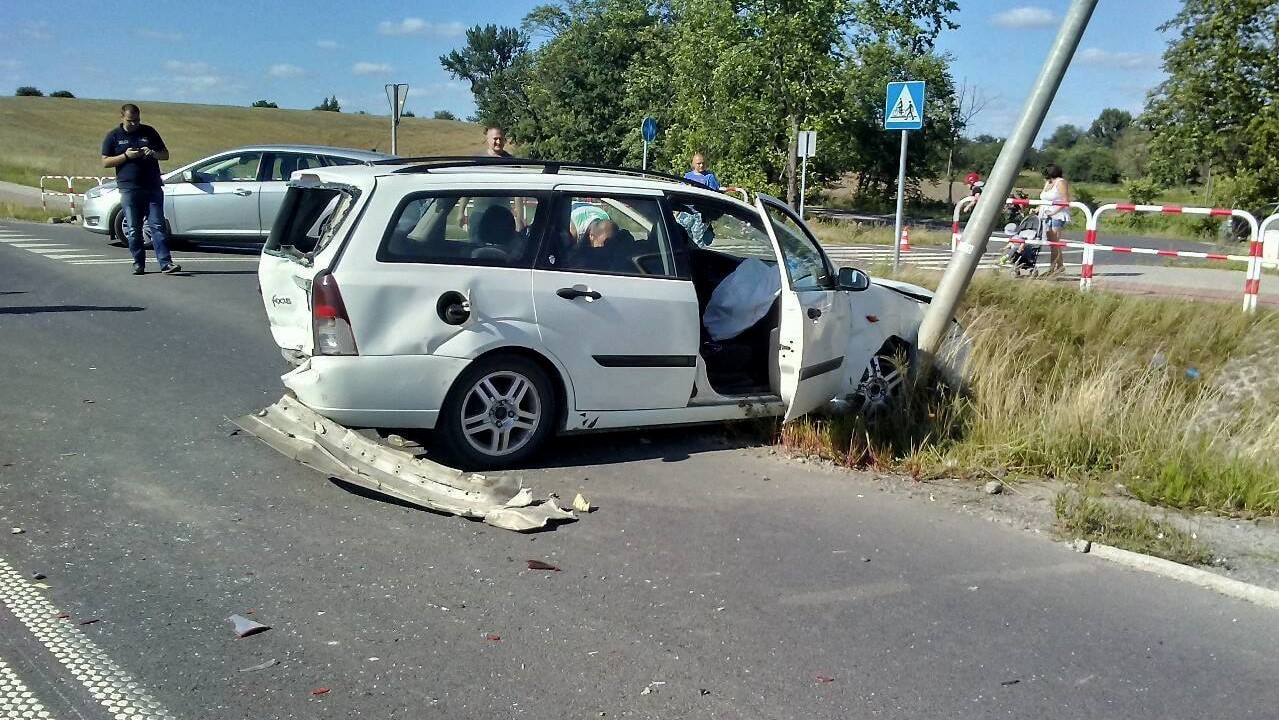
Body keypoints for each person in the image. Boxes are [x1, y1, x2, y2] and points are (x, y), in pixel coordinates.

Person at [101, 103, 179, 275]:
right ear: (122, 118)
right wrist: (126, 156)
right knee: (134, 228)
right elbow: (105, 161)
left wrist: (152, 153)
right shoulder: (113, 136)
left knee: (157, 225)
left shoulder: (149, 132)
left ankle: (166, 263)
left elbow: (165, 154)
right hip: (129, 188)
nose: (134, 124)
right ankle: (138, 262)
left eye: (137, 120)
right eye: (130, 121)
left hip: (152, 186)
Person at [461, 126, 524, 234]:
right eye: (495, 139)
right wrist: (461, 211)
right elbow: (467, 188)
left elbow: (518, 193)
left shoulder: (512, 162)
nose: (498, 142)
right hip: (479, 214)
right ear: (488, 139)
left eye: (501, 138)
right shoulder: (477, 161)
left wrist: (519, 219)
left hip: (503, 215)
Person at [1039, 163, 1070, 276]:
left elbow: (1065, 200)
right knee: (1053, 243)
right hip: (1045, 214)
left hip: (1057, 215)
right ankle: (1060, 266)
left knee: (1054, 242)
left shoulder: (1061, 182)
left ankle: (1052, 269)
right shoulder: (1047, 182)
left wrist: (1053, 212)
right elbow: (1044, 198)